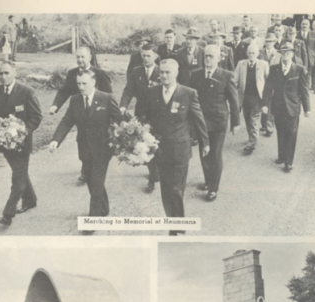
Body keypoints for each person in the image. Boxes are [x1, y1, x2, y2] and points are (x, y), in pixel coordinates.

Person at [142, 59, 209, 234]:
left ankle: (178, 223)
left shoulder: (188, 93)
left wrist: (205, 142)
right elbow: (146, 118)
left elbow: (198, 118)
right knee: (165, 189)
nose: (163, 75)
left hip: (180, 149)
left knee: (176, 188)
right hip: (161, 149)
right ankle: (173, 221)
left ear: (176, 73)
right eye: (161, 72)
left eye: (167, 72)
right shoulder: (152, 92)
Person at [49, 70, 121, 226]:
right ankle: (103, 208)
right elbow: (67, 121)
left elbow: (119, 121)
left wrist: (124, 140)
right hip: (84, 147)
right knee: (90, 178)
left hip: (103, 148)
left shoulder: (106, 98)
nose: (81, 87)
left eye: (84, 84)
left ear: (93, 82)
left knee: (96, 181)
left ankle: (92, 220)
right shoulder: (75, 100)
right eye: (78, 84)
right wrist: (56, 140)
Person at [0, 62, 43, 226]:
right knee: (19, 172)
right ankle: (31, 200)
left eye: (6, 73)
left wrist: (22, 131)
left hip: (22, 143)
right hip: (5, 143)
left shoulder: (27, 91)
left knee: (18, 177)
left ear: (15, 72)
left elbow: (36, 117)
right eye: (0, 73)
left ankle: (8, 214)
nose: (3, 77)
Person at [50, 46, 112, 183]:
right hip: (79, 111)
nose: (80, 60)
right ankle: (86, 170)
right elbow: (65, 91)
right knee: (83, 140)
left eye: (83, 57)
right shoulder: (72, 74)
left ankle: (92, 173)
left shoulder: (99, 74)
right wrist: (56, 105)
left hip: (97, 114)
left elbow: (109, 95)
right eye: (78, 57)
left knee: (97, 148)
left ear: (90, 57)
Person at [189, 45, 240, 202]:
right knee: (204, 152)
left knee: (215, 154)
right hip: (201, 122)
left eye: (211, 56)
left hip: (218, 121)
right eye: (205, 56)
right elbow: (190, 99)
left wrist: (235, 122)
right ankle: (208, 180)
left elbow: (233, 100)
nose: (208, 59)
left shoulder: (226, 75)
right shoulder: (196, 75)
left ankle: (213, 188)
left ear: (219, 58)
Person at [262, 41, 310, 172]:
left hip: (292, 107)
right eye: (283, 53)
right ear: (280, 55)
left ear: (292, 54)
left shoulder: (299, 69)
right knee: (281, 132)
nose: (285, 56)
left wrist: (307, 109)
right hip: (278, 106)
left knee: (291, 133)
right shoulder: (274, 68)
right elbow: (268, 87)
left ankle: (288, 162)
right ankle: (281, 155)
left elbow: (304, 90)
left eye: (288, 53)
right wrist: (265, 104)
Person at [120, 44, 160, 193]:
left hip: (158, 115)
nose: (145, 58)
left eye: (149, 55)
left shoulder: (161, 71)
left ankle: (158, 171)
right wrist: (123, 106)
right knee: (147, 143)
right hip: (142, 114)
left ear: (155, 56)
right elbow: (128, 90)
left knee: (158, 144)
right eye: (143, 55)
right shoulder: (137, 72)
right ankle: (152, 177)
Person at [234, 43, 269, 153]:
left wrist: (266, 100)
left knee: (254, 120)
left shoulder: (264, 64)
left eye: (253, 53)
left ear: (258, 53)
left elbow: (268, 82)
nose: (251, 55)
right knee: (247, 119)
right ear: (246, 53)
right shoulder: (241, 64)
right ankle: (251, 138)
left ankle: (252, 144)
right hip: (245, 98)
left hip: (257, 98)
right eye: (249, 53)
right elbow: (235, 79)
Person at [258, 33, 281, 136]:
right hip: (261, 81)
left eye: (271, 41)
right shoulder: (260, 53)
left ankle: (269, 127)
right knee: (262, 102)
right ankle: (263, 123)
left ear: (274, 42)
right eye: (267, 41)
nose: (268, 43)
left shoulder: (278, 54)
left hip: (272, 83)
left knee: (270, 103)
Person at [297, 19, 315, 91]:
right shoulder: (297, 34)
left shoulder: (313, 34)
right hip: (299, 57)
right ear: (300, 25)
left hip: (310, 57)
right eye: (303, 24)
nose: (304, 25)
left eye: (306, 24)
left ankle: (306, 89)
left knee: (309, 73)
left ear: (309, 26)